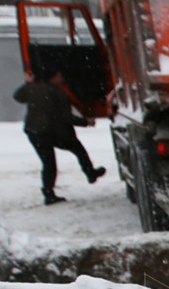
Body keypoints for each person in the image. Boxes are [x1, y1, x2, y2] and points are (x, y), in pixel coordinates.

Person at [14, 69, 104, 204]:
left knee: (48, 163)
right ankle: (90, 173)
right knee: (78, 150)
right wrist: (86, 122)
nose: (62, 77)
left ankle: (48, 194)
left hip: (35, 132)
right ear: (53, 77)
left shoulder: (33, 88)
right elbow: (66, 117)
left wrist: (28, 83)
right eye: (59, 75)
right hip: (54, 132)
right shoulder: (58, 93)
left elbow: (17, 97)